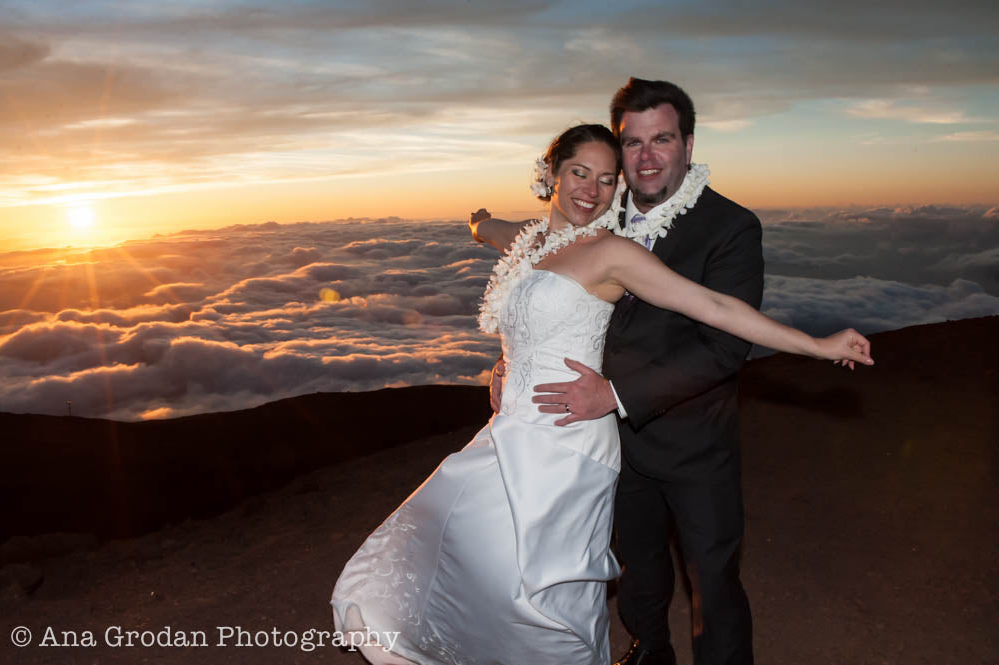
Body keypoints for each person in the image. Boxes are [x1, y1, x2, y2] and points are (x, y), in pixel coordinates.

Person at [332, 122, 871, 665]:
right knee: (447, 546)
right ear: (551, 174)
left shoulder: (613, 254)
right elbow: (494, 230)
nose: (591, 191)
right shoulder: (530, 240)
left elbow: (717, 309)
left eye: (607, 181)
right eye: (579, 173)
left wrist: (818, 345)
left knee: (542, 590)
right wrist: (476, 225)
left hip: (568, 444)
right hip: (509, 433)